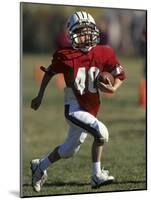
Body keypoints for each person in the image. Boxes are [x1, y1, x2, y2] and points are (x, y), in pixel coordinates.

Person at [30, 11, 126, 192]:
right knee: (101, 133)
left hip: (90, 108)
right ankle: (96, 176)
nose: (84, 36)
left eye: (87, 31)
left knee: (68, 151)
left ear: (94, 31)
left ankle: (39, 166)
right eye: (80, 32)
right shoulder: (65, 55)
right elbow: (49, 72)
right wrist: (40, 95)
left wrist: (114, 88)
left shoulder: (104, 51)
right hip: (73, 107)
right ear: (72, 35)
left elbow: (119, 73)